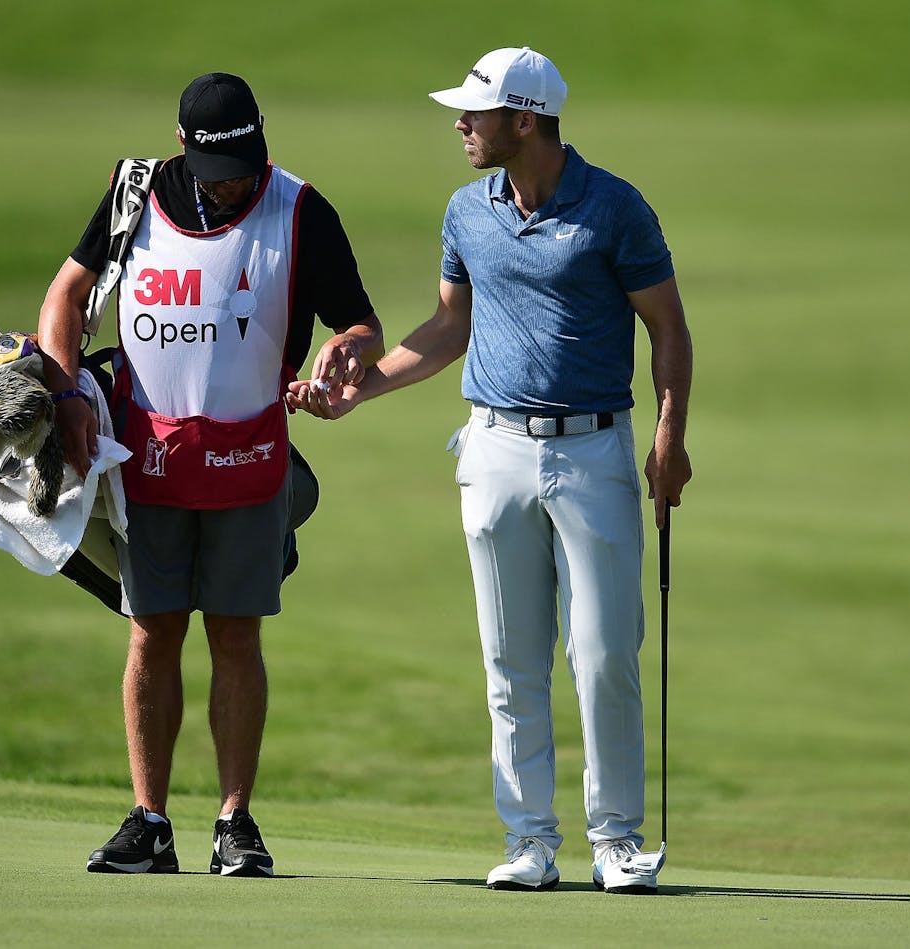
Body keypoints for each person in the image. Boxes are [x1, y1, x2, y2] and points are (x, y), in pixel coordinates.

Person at [287, 47, 692, 894]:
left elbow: (668, 329)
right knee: (510, 658)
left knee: (605, 652)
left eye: (476, 113)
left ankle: (616, 840)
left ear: (527, 119)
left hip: (593, 448)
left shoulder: (614, 208)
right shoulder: (468, 213)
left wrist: (668, 436)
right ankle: (530, 840)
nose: (460, 126)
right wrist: (362, 392)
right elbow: (446, 330)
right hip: (494, 447)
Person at [39, 72, 384, 878]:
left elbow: (360, 323)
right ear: (184, 149)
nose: (234, 186)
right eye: (219, 171)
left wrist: (347, 353)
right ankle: (149, 820)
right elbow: (65, 296)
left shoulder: (299, 208)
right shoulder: (135, 192)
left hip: (249, 458)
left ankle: (234, 820)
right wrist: (65, 396)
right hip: (144, 456)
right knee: (153, 631)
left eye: (246, 165)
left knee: (236, 632)